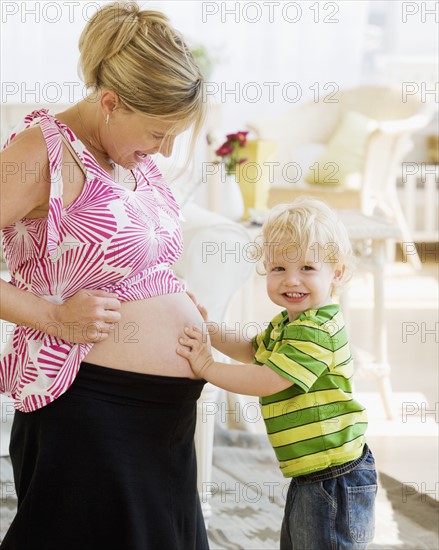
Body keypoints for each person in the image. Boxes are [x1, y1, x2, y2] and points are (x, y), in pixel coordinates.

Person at [0, 2, 210, 549]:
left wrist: (170, 292)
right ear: (111, 103)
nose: (164, 150)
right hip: (90, 408)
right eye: (160, 131)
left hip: (161, 421)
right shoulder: (39, 152)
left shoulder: (129, 157)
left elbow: (127, 260)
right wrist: (51, 315)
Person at [177, 197, 377, 550]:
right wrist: (209, 329)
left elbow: (269, 379)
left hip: (334, 473)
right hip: (312, 471)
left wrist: (208, 367)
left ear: (338, 273)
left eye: (307, 268)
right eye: (279, 269)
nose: (292, 280)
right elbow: (252, 350)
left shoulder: (317, 329)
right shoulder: (289, 322)